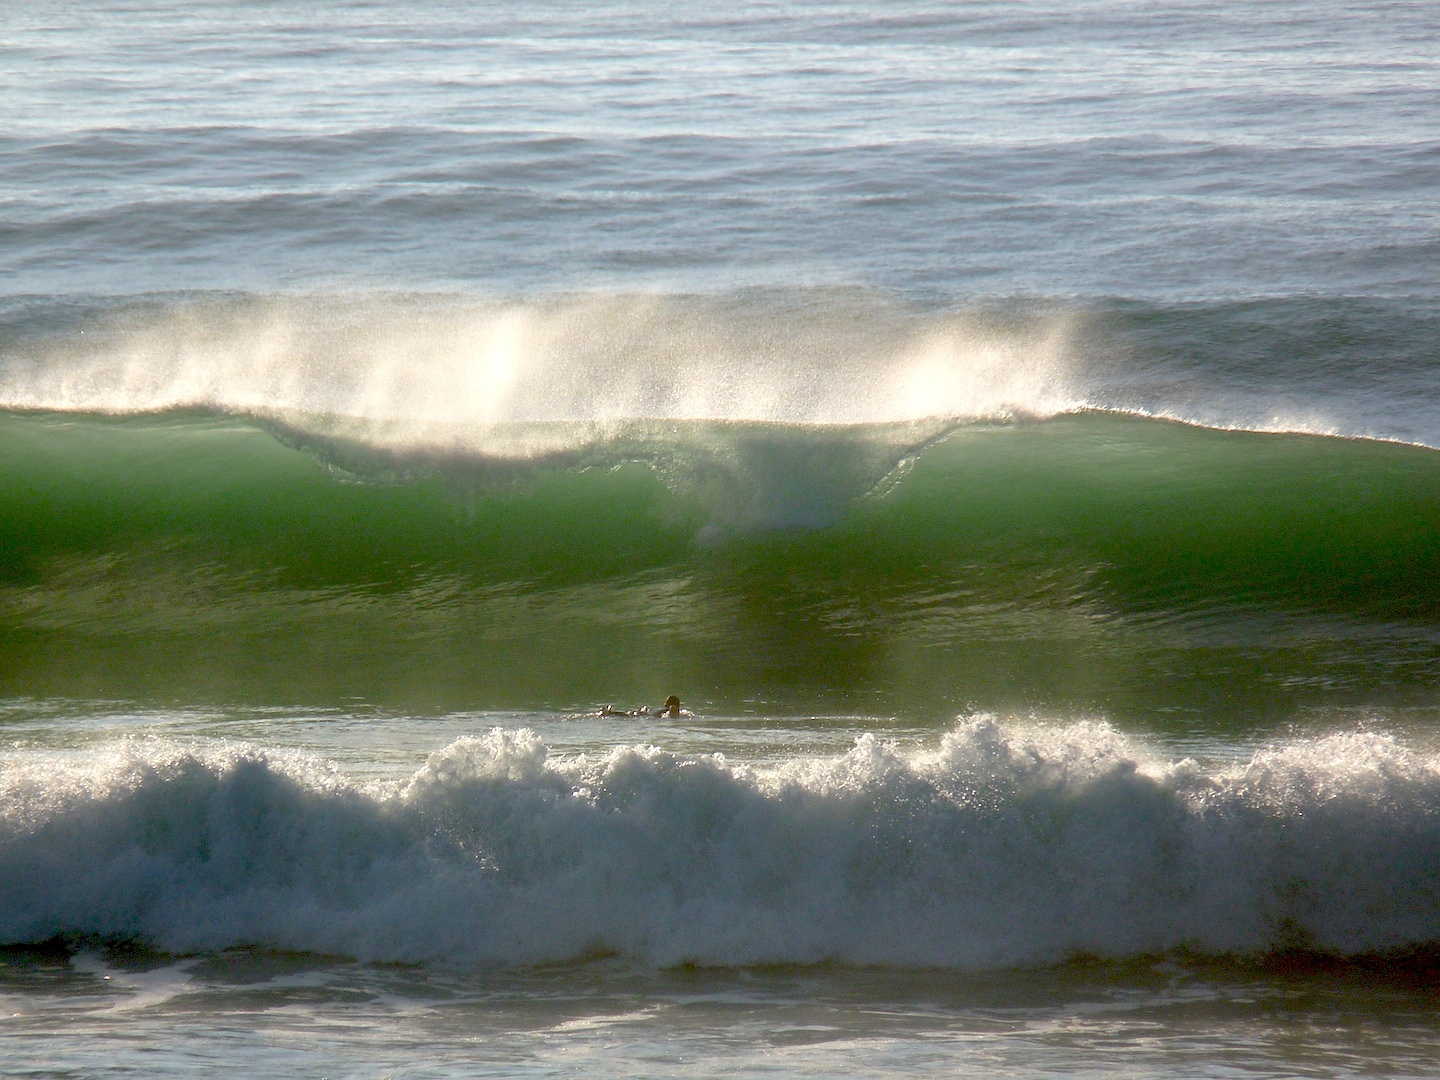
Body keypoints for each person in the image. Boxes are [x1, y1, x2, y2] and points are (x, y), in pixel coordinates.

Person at [599, 695, 684, 718]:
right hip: (648, 716)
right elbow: (673, 710)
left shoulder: (659, 708)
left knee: (628, 715)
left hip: (645, 713)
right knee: (628, 717)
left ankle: (610, 713)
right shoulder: (667, 710)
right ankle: (610, 713)